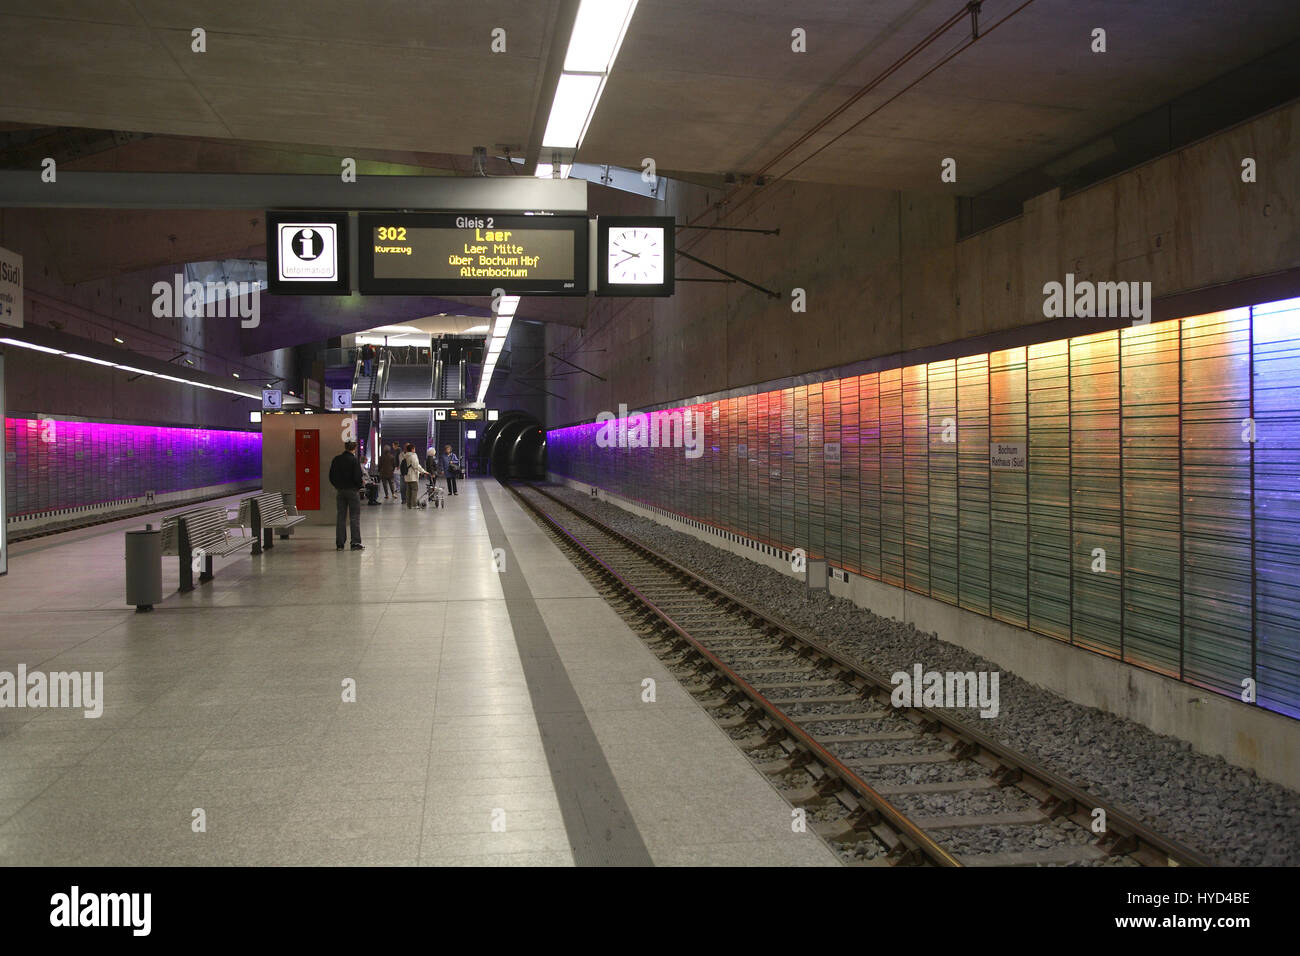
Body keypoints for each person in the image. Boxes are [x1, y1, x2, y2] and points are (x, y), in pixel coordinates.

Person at [328, 440, 365, 551]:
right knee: (354, 517)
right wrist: (358, 486)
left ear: (345, 447)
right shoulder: (354, 460)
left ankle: (340, 544)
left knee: (341, 517)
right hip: (352, 491)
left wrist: (337, 486)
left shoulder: (336, 459)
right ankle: (355, 542)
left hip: (340, 491)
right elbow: (357, 477)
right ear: (354, 448)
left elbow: (331, 476)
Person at [402, 442, 428, 509]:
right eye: (414, 449)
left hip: (407, 476)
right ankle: (414, 505)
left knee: (408, 491)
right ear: (412, 449)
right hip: (413, 476)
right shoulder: (413, 456)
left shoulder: (405, 455)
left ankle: (409, 505)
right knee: (414, 490)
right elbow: (416, 466)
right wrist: (423, 471)